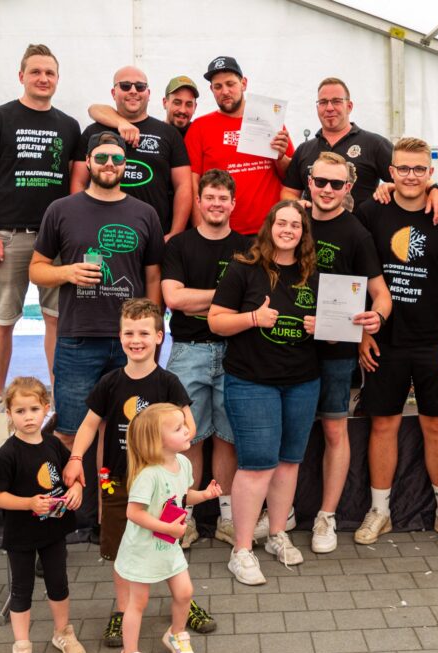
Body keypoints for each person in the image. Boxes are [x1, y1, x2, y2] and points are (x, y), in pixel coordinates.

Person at [61, 299, 217, 650]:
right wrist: (75, 458)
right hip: (118, 483)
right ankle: (122, 609)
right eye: (129, 333)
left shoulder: (168, 383)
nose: (136, 340)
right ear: (120, 336)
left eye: (144, 333)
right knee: (120, 549)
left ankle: (183, 600)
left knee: (168, 543)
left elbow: (189, 425)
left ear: (159, 337)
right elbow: (89, 425)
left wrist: (172, 440)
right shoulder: (109, 383)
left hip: (162, 486)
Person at [354, 137, 438, 547]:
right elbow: (358, 277)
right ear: (391, 172)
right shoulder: (371, 211)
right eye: (403, 168)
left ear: (430, 172)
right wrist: (361, 334)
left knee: (437, 424)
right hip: (384, 340)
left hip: (435, 339)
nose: (410, 176)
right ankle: (380, 511)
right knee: (383, 423)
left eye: (419, 169)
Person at [30, 131, 164, 452]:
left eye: (117, 158)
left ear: (125, 164)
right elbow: (36, 270)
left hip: (129, 341)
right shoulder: (61, 210)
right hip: (78, 339)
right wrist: (67, 272)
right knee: (69, 433)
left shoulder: (145, 213)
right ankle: (67, 487)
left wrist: (152, 333)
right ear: (88, 162)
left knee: (126, 437)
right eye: (101, 157)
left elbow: (153, 278)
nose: (109, 164)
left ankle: (110, 489)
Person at [208, 200, 320, 585]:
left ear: (303, 233)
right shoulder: (244, 268)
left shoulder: (314, 274)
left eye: (295, 225)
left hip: (303, 381)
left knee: (288, 462)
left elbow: (339, 329)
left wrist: (322, 327)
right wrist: (254, 318)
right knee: (257, 465)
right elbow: (216, 321)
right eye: (281, 223)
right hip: (252, 381)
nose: (288, 230)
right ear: (269, 227)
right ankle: (241, 550)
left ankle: (276, 534)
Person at [0, 44, 81, 413]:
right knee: (3, 319)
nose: (43, 78)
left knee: (57, 320)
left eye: (49, 73)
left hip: (55, 241)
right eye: (35, 72)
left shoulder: (69, 125)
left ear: (58, 79)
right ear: (22, 76)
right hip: (10, 236)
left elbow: (75, 186)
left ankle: (59, 398)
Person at [305, 152, 391, 553]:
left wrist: (377, 318)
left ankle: (326, 516)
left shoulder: (357, 233)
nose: (327, 190)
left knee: (334, 431)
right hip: (286, 346)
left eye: (336, 184)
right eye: (321, 181)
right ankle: (281, 511)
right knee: (288, 431)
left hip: (336, 351)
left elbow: (381, 293)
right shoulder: (291, 220)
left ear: (348, 188)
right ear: (309, 182)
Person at [161, 170, 250, 547]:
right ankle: (187, 518)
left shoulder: (247, 248)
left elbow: (250, 300)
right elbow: (174, 299)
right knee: (188, 439)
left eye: (222, 198)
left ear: (233, 203)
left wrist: (199, 298)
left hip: (236, 353)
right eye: (209, 197)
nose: (216, 204)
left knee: (228, 438)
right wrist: (227, 295)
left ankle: (228, 519)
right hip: (189, 350)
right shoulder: (179, 246)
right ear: (198, 202)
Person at [0, 377, 87, 653]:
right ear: (9, 414)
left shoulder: (53, 444)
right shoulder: (8, 453)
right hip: (21, 535)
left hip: (53, 531)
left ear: (46, 408)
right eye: (20, 411)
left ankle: (62, 632)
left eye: (33, 409)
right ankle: (21, 647)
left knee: (58, 583)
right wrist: (28, 503)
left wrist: (77, 489)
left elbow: (73, 475)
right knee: (22, 589)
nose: (28, 417)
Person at [114, 403, 222, 653]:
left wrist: (205, 495)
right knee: (137, 603)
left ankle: (176, 634)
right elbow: (133, 513)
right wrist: (169, 528)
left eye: (184, 424)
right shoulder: (148, 475)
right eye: (178, 428)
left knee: (185, 593)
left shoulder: (183, 463)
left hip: (168, 546)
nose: (187, 430)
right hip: (142, 550)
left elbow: (183, 496)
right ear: (157, 440)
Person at [282, 77, 438, 215]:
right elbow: (288, 191)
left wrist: (435, 189)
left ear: (349, 106)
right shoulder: (304, 149)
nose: (329, 108)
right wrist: (297, 205)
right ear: (317, 107)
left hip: (361, 236)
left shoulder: (374, 144)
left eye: (336, 101)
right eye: (323, 102)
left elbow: (411, 176)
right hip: (312, 236)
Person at [73, 66, 192, 238]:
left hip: (154, 236)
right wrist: (82, 223)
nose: (133, 91)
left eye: (140, 86)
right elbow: (78, 182)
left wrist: (175, 233)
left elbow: (184, 186)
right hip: (101, 233)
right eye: (125, 86)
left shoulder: (169, 134)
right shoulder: (93, 132)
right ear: (114, 93)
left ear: (148, 93)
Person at [185, 56, 294, 235]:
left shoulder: (269, 120)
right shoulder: (200, 127)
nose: (225, 91)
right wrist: (200, 231)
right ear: (211, 89)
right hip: (221, 232)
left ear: (244, 83)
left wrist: (280, 157)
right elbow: (192, 183)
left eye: (230, 84)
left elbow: (291, 177)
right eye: (218, 86)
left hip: (268, 231)